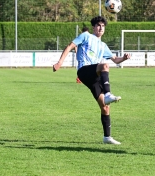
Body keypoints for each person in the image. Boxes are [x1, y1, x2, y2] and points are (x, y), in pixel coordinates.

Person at [53, 16, 130, 144]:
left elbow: (115, 60)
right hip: (84, 70)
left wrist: (124, 58)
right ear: (93, 27)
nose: (101, 28)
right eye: (98, 25)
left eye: (103, 26)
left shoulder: (103, 45)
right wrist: (60, 62)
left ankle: (107, 137)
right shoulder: (86, 36)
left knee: (105, 107)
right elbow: (70, 46)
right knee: (104, 65)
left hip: (95, 76)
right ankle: (108, 94)